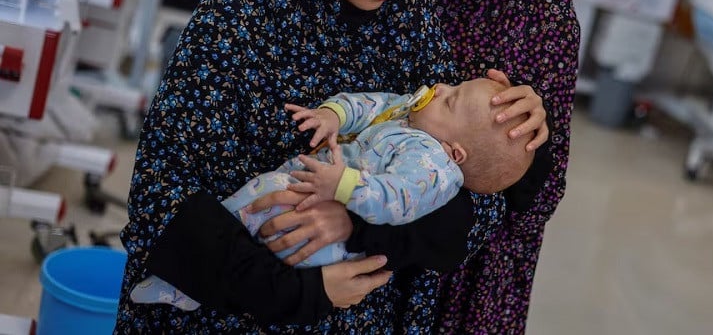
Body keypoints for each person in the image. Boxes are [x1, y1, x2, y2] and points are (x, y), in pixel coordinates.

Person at [115, 0, 546, 334]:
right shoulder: (238, 25)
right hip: (228, 310)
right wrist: (301, 292)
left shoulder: (408, 26)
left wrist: (360, 224)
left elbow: (472, 206)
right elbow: (162, 202)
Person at [130, 78, 534, 311]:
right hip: (316, 189)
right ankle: (190, 279)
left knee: (261, 203)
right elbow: (371, 104)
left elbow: (394, 199)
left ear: (455, 151)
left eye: (450, 100)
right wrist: (333, 115)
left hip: (329, 243)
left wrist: (342, 187)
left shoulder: (433, 167)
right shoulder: (412, 118)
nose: (440, 86)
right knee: (253, 207)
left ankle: (186, 287)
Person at [417, 0, 581, 334]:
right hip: (370, 222)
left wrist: (538, 137)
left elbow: (540, 193)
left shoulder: (549, 24)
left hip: (476, 262)